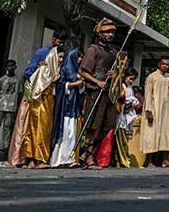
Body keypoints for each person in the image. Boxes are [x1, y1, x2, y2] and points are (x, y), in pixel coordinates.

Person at [9, 30, 68, 166]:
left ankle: (37, 158)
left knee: (43, 127)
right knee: (29, 127)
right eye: (59, 41)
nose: (61, 44)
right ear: (53, 39)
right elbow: (29, 72)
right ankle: (26, 158)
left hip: (49, 96)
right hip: (35, 94)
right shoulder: (42, 53)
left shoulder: (60, 55)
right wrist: (39, 73)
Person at [78, 18, 118, 169]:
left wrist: (115, 74)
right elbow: (82, 71)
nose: (110, 35)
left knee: (107, 126)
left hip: (109, 93)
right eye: (107, 32)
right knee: (93, 126)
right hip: (96, 92)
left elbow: (118, 70)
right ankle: (88, 158)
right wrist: (97, 82)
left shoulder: (114, 52)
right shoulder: (92, 49)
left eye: (112, 32)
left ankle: (87, 153)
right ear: (99, 33)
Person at [20, 46, 62, 168]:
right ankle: (39, 159)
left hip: (45, 103)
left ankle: (32, 159)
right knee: (40, 131)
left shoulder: (53, 70)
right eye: (59, 57)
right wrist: (53, 82)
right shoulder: (45, 70)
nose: (61, 60)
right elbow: (38, 87)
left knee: (36, 130)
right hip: (41, 103)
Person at [49, 49, 85, 167]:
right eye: (78, 57)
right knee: (64, 132)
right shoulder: (64, 69)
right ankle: (59, 159)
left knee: (71, 133)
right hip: (65, 106)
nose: (80, 59)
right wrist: (75, 84)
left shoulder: (77, 71)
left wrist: (81, 83)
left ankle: (69, 158)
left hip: (73, 106)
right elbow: (60, 85)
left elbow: (81, 88)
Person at [141, 57, 169, 167]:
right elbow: (147, 94)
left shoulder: (168, 79)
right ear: (159, 64)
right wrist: (148, 110)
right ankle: (149, 161)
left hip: (166, 111)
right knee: (151, 134)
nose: (165, 66)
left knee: (166, 134)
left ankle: (165, 160)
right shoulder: (152, 77)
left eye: (167, 64)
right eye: (163, 64)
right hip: (154, 110)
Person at [114, 68, 140, 168]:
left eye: (133, 79)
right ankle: (123, 160)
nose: (131, 81)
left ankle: (121, 160)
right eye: (130, 78)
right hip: (120, 117)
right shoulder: (121, 87)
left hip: (125, 117)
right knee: (121, 141)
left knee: (124, 140)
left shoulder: (129, 88)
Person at [0, 60, 20, 156]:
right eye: (9, 66)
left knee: (7, 126)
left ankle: (6, 146)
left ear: (15, 67)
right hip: (0, 105)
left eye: (12, 65)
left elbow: (19, 92)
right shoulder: (2, 79)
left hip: (11, 105)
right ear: (6, 68)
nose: (11, 67)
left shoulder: (18, 79)